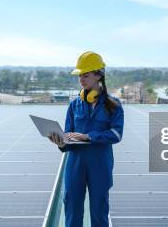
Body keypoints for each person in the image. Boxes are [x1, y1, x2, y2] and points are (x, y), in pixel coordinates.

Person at [48, 51, 124, 227]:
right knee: (72, 211)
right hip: (75, 163)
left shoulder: (113, 104)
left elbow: (117, 134)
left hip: (100, 164)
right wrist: (60, 142)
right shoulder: (74, 104)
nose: (81, 79)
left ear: (99, 75)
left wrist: (89, 136)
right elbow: (68, 134)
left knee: (99, 212)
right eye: (80, 75)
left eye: (86, 75)